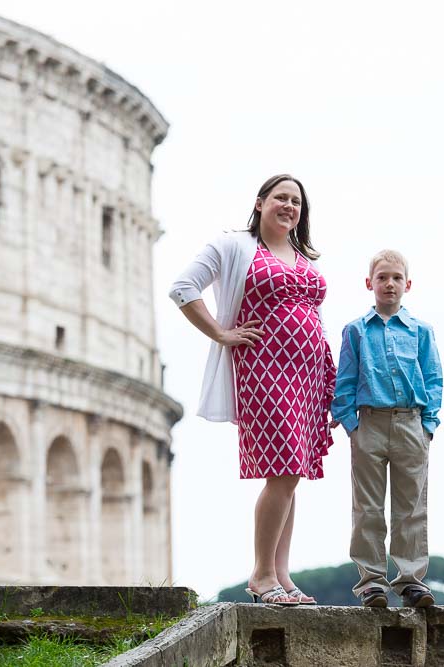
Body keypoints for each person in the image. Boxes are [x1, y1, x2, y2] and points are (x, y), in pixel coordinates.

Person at [168, 174, 336, 606]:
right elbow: (183, 287)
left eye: (296, 201)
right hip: (264, 369)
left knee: (292, 473)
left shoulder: (301, 255)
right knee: (282, 468)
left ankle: (281, 574)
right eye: (281, 198)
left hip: (309, 374)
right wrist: (221, 333)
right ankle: (262, 575)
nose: (289, 206)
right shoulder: (234, 244)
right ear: (260, 203)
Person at [331, 250, 442, 608]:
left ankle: (410, 580)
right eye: (382, 277)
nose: (389, 284)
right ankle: (371, 582)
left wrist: (428, 425)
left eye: (396, 277)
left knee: (411, 506)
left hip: (411, 423)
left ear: (407, 284)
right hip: (369, 424)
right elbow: (345, 380)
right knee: (367, 507)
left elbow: (434, 377)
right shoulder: (355, 330)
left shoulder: (421, 331)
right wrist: (352, 425)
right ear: (370, 283)